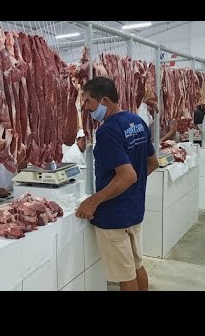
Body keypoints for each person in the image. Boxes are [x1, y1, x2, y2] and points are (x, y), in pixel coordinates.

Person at [75, 76, 159, 291]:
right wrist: (131, 190)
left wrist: (93, 201)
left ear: (104, 101)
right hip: (134, 208)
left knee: (125, 275)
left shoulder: (107, 131)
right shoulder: (136, 121)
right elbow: (152, 163)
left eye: (88, 102)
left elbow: (127, 176)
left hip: (113, 214)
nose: (85, 107)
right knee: (136, 265)